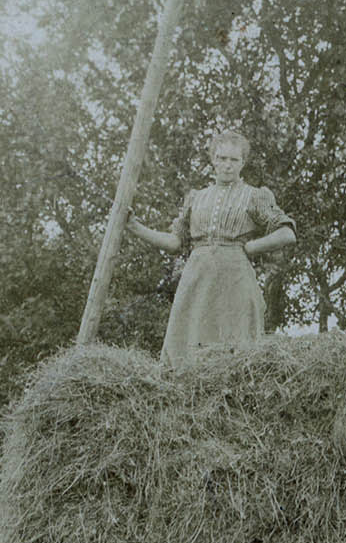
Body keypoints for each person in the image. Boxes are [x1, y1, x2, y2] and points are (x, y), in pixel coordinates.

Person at [126, 129, 296, 366]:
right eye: (222, 158)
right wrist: (135, 227)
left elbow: (287, 233)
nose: (227, 165)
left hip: (235, 280)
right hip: (197, 281)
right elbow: (175, 242)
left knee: (235, 353)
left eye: (234, 160)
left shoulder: (254, 196)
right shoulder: (197, 198)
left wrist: (251, 247)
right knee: (187, 351)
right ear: (213, 160)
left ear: (243, 163)